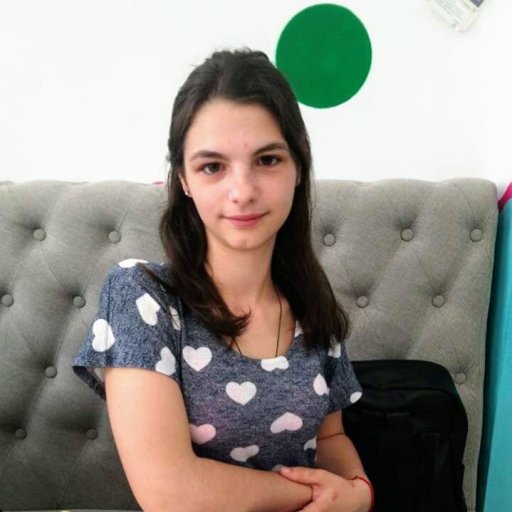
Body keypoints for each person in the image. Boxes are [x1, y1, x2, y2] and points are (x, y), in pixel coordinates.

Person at [72, 47, 373, 512]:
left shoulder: (312, 305)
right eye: (212, 167)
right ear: (183, 179)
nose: (243, 191)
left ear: (298, 164)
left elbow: (330, 438)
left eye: (267, 160)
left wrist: (359, 491)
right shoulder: (142, 296)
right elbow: (168, 492)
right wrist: (320, 497)